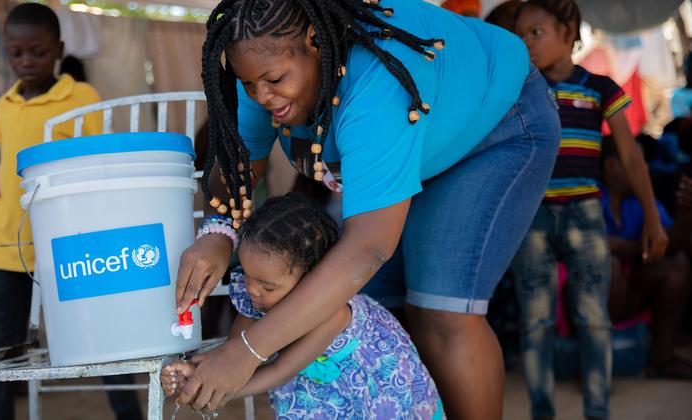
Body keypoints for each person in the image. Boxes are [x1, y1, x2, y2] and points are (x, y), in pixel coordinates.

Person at [173, 1, 561, 418]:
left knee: (439, 307)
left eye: (273, 81)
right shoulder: (261, 63)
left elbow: (369, 246)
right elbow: (238, 163)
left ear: (315, 41)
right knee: (365, 312)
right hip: (420, 141)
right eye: (250, 85)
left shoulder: (379, 82)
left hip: (496, 130)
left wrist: (247, 351)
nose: (262, 97)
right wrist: (219, 231)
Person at [0, 4, 142, 420]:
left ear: (59, 50)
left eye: (37, 51)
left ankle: (129, 414)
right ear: (7, 52)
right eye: (17, 53)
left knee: (103, 334)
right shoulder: (3, 106)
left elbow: (96, 164)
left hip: (71, 242)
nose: (27, 61)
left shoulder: (82, 99)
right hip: (9, 243)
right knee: (2, 345)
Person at [512, 1, 668, 419]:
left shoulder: (601, 88)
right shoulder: (519, 91)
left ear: (568, 31)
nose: (525, 42)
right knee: (535, 323)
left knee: (594, 320)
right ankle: (541, 411)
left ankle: (597, 411)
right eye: (520, 34)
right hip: (532, 218)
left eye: (536, 32)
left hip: (585, 214)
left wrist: (653, 220)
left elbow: (632, 157)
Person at [164, 193, 443, 418]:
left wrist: (219, 390)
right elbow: (236, 352)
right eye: (247, 275)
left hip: (368, 395)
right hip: (317, 400)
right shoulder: (255, 295)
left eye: (267, 285)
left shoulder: (331, 314)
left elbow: (278, 371)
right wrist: (196, 373)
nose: (251, 288)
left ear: (309, 282)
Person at [600, 136, 692, 379]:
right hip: (587, 301)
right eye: (637, 161)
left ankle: (662, 357)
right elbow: (603, 249)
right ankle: (595, 356)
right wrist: (636, 248)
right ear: (611, 166)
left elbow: (669, 246)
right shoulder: (590, 199)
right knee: (610, 267)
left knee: (677, 266)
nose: (646, 168)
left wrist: (685, 215)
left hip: (627, 296)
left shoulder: (642, 204)